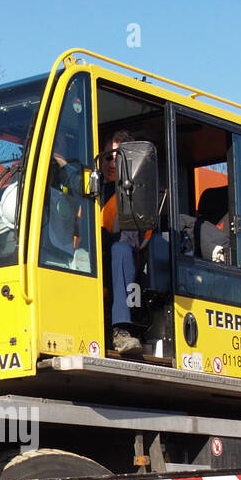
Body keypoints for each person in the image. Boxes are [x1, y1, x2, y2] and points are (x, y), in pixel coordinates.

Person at [100, 129, 144, 356]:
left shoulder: (132, 197)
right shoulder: (88, 193)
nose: (112, 163)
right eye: (108, 157)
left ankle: (121, 330)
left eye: (119, 158)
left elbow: (131, 241)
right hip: (85, 262)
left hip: (117, 265)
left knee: (120, 249)